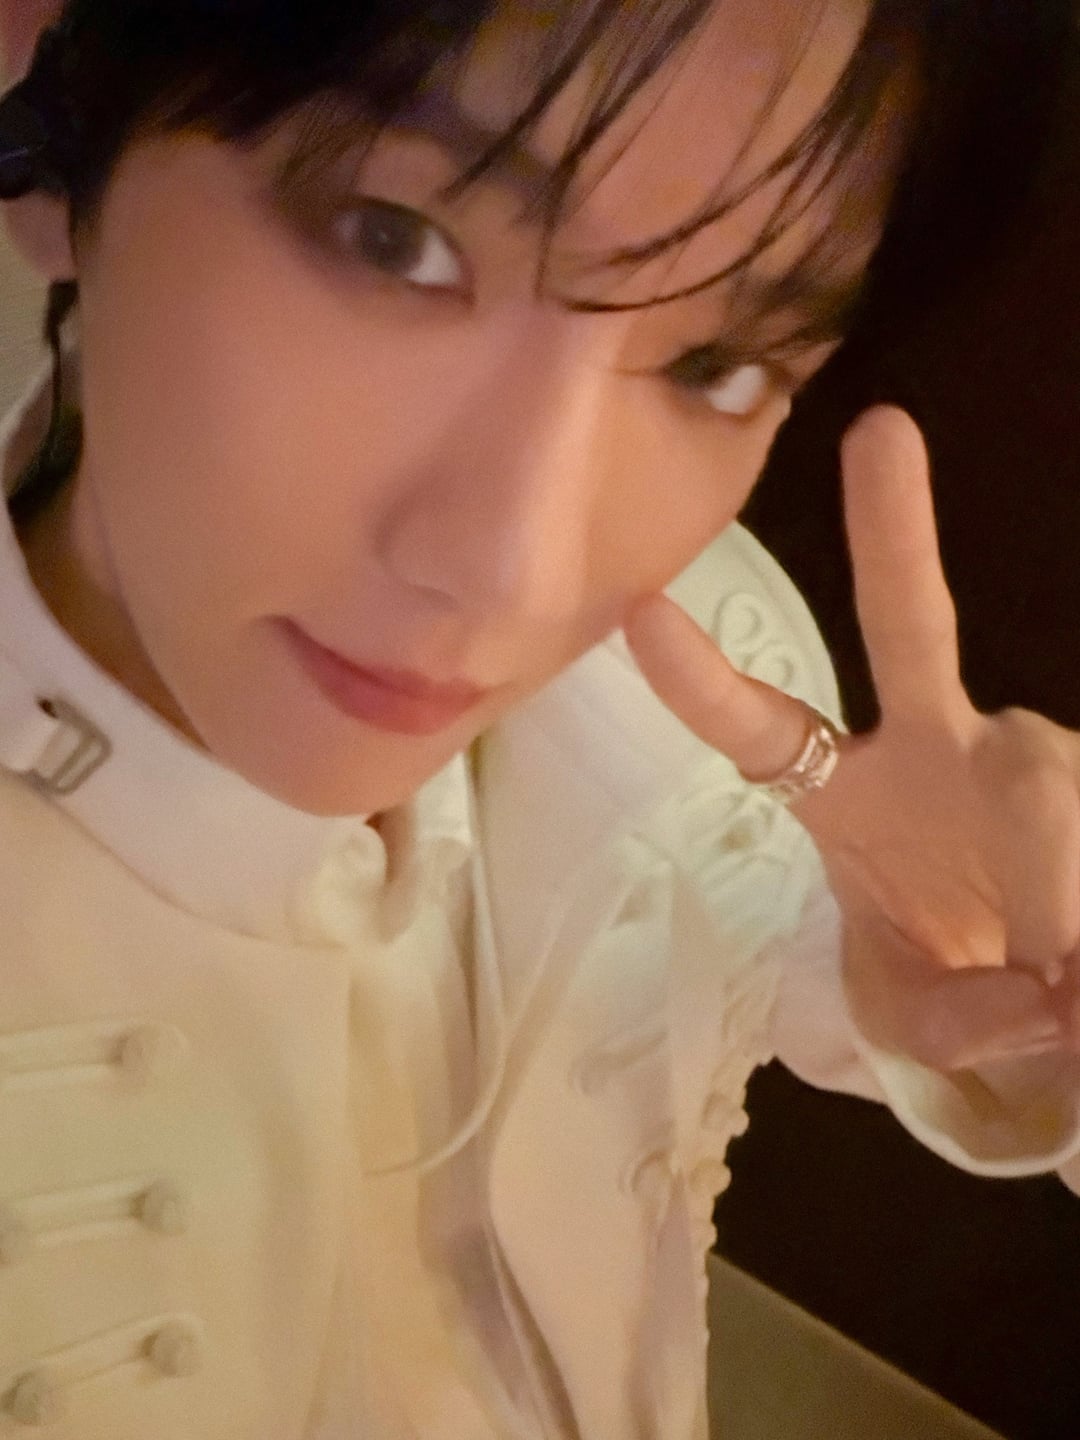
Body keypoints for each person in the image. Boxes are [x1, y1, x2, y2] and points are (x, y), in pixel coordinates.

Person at [0, 1, 1077, 1436]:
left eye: (714, 364)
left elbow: (897, 979)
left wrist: (1040, 991)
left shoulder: (713, 682)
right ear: (60, 125)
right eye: (395, 241)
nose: (521, 575)